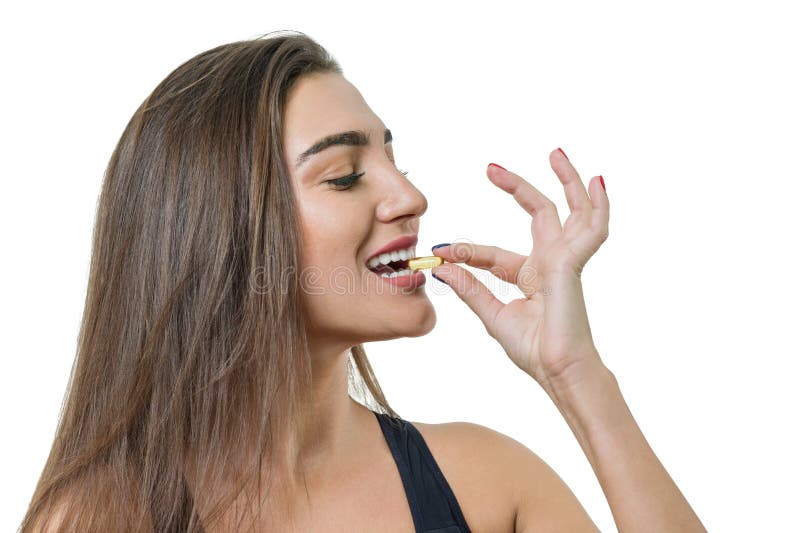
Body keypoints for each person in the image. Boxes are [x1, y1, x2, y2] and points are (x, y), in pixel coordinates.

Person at [20, 30, 706, 532]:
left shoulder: (487, 485)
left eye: (392, 158)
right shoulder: (100, 517)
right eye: (345, 175)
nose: (409, 194)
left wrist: (575, 374)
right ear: (223, 231)